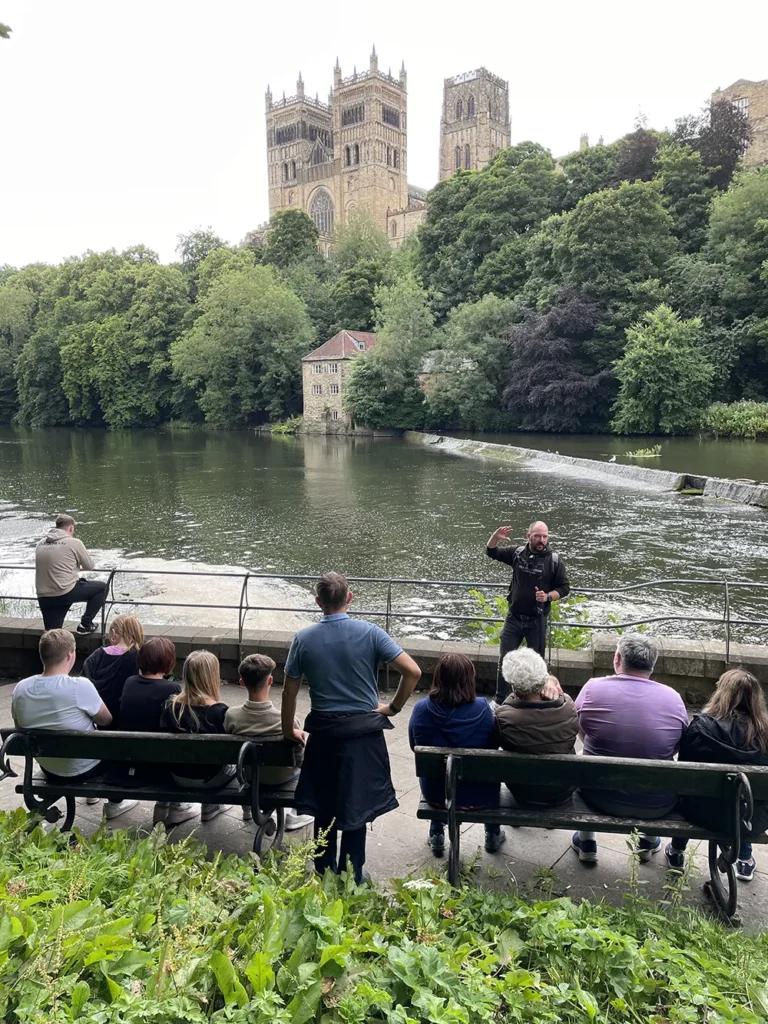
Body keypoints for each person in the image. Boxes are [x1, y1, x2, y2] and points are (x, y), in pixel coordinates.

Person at [281, 571, 422, 884]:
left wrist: (288, 728)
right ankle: (353, 875)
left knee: (323, 804)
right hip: (362, 735)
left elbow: (289, 692)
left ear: (318, 602)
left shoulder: (303, 639)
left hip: (324, 735)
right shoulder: (370, 633)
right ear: (350, 597)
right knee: (356, 805)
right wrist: (393, 707)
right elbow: (412, 671)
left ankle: (322, 870)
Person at [571, 634, 688, 863]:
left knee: (582, 759)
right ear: (652, 665)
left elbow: (577, 727)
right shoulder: (672, 698)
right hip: (656, 803)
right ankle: (646, 842)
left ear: (617, 659)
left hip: (598, 797)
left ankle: (586, 841)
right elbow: (676, 745)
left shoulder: (592, 688)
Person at [10, 628, 137, 819]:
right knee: (116, 743)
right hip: (85, 768)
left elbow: (19, 725)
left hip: (49, 767)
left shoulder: (21, 688)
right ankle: (115, 802)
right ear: (71, 655)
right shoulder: (79, 686)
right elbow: (106, 719)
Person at [667, 669, 768, 882]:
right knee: (745, 799)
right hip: (752, 819)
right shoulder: (765, 735)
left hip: (701, 812)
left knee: (689, 792)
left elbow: (684, 773)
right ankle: (744, 858)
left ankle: (677, 850)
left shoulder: (701, 727)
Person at [409, 653, 504, 856]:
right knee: (492, 775)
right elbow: (494, 746)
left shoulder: (421, 710)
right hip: (480, 796)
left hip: (437, 796)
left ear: (438, 678)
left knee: (440, 773)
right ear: (470, 680)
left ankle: (436, 833)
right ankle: (493, 833)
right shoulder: (483, 708)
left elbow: (413, 746)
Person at [224, 653, 313, 831]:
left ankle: (248, 810)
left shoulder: (231, 716)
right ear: (270, 681)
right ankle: (298, 813)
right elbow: (300, 759)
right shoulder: (286, 720)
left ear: (242, 683)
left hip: (250, 777)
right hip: (283, 778)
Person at [486, 521, 570, 705]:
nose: (542, 540)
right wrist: (495, 537)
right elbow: (491, 552)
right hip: (513, 619)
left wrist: (547, 596)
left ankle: (536, 701)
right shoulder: (517, 553)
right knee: (504, 660)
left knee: (538, 665)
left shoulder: (554, 560)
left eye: (545, 536)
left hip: (537, 621)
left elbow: (564, 588)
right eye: (538, 536)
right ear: (528, 535)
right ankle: (500, 701)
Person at [119, 637, 197, 827]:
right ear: (168, 663)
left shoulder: (129, 682)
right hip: (159, 768)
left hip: (131, 760)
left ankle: (165, 806)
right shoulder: (171, 689)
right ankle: (173, 804)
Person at [495, 648, 579, 806]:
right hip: (562, 790)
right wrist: (551, 681)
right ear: (542, 676)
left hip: (523, 791)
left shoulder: (503, 717)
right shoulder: (568, 706)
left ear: (513, 685)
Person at [159, 650, 235, 822]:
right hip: (211, 779)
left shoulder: (170, 707)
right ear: (212, 677)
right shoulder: (220, 711)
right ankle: (211, 806)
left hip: (178, 776)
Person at [35, 514, 107, 635]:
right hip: (65, 591)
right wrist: (76, 565)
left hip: (43, 594)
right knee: (102, 588)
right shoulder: (74, 542)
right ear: (70, 528)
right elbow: (90, 566)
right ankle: (86, 624)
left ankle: (48, 652)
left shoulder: (40, 543)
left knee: (52, 634)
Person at [83, 615, 143, 722]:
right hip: (124, 720)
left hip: (95, 717)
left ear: (114, 633)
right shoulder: (138, 658)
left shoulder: (96, 656)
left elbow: (82, 684)